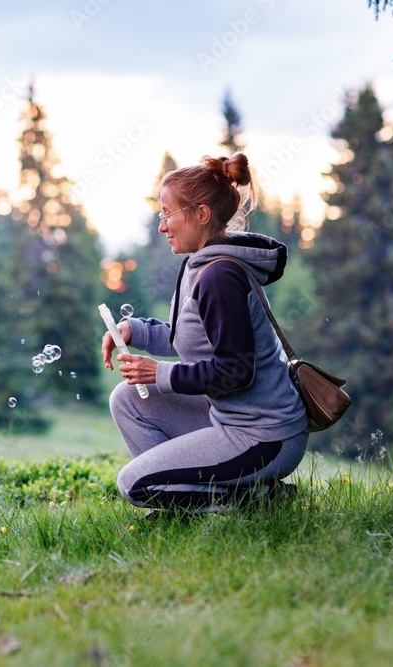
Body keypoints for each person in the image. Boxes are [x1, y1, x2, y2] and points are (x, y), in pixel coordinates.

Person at [102, 152, 309, 514]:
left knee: (134, 485)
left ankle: (257, 501)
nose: (162, 226)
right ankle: (187, 506)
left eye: (168, 214)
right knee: (128, 399)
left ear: (201, 214)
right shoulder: (201, 266)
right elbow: (189, 338)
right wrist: (133, 330)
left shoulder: (219, 276)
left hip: (264, 436)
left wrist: (159, 373)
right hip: (229, 418)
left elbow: (235, 371)